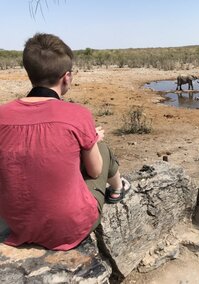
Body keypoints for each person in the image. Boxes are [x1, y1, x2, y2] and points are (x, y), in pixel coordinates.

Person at [0, 33, 130, 251]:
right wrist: (92, 139)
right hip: (69, 228)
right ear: (66, 77)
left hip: (17, 225)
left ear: (29, 72)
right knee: (101, 148)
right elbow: (96, 171)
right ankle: (118, 188)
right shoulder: (77, 114)